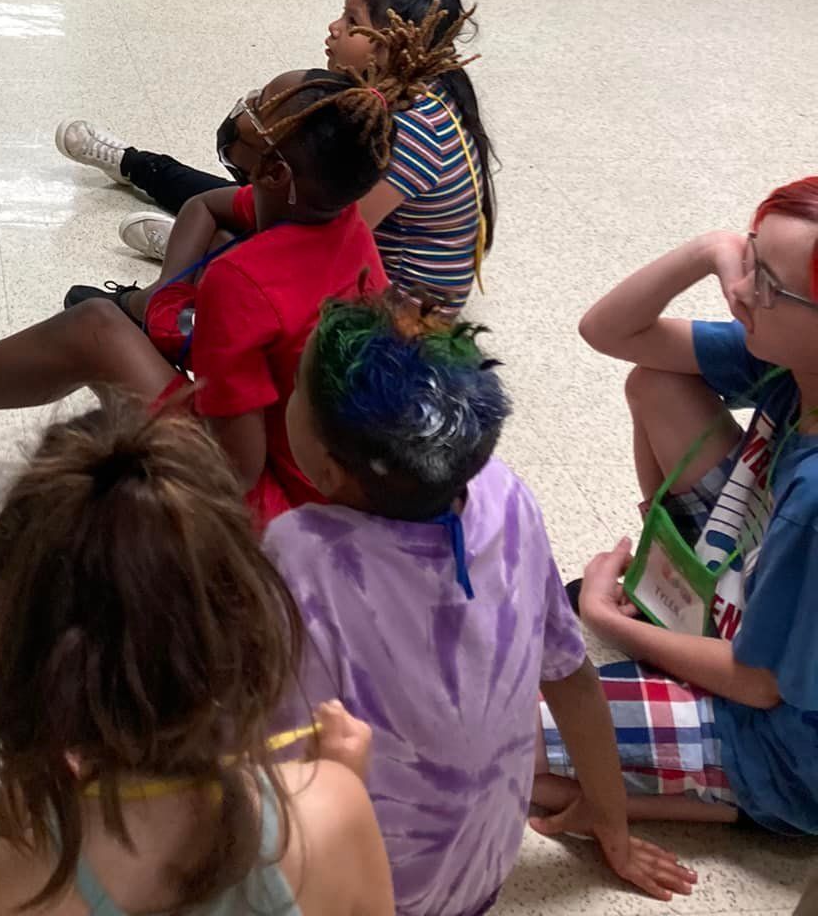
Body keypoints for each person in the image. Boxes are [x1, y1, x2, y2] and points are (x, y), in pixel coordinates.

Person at [0, 10, 458, 528]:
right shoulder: (344, 224)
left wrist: (169, 340)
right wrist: (165, 295)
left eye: (259, 109)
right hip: (332, 478)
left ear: (277, 173)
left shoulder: (243, 283)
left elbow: (239, 466)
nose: (247, 110)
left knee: (97, 327)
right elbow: (207, 205)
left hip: (271, 515)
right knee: (122, 319)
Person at [268, 295, 698, 916]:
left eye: (294, 398)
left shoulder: (300, 557)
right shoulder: (505, 495)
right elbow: (572, 678)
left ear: (332, 473)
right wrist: (611, 820)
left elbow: (280, 770)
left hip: (370, 893)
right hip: (482, 878)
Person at [0, 401, 396, 916]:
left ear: (29, 674)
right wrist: (337, 782)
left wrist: (31, 813)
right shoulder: (333, 813)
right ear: (250, 631)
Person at [563, 177, 818, 835]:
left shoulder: (814, 502)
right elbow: (608, 330)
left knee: (506, 737)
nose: (739, 288)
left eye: (764, 280)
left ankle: (746, 808)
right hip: (757, 593)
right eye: (749, 255)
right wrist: (712, 247)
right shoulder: (792, 356)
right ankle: (672, 599)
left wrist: (606, 620)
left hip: (779, 740)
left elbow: (759, 685)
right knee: (657, 383)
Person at [56, 0, 494, 310]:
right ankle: (131, 165)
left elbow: (328, 240)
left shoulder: (411, 132)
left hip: (388, 312)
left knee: (237, 233)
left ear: (387, 44)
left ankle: (182, 259)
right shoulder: (411, 90)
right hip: (361, 251)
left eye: (351, 19)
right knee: (229, 198)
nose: (334, 27)